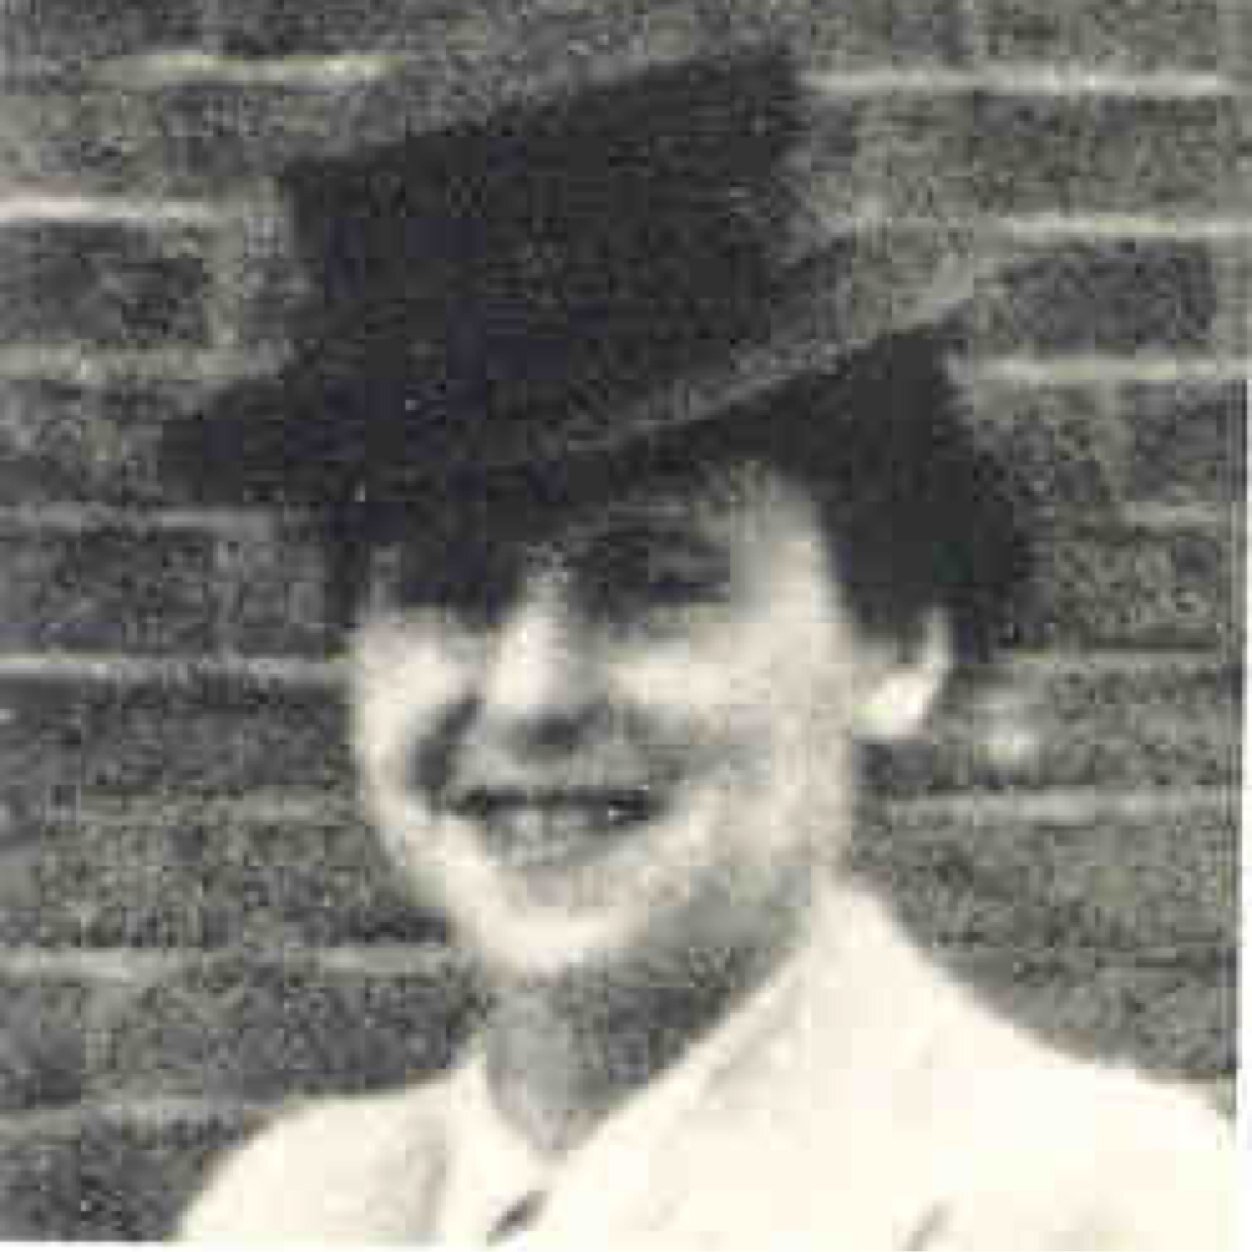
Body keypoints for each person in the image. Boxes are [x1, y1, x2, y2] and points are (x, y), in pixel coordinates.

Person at [164, 49, 1235, 1249]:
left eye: (657, 582)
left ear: (897, 641)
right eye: (451, 589)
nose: (530, 692)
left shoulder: (1100, 1205)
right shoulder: (289, 1210)